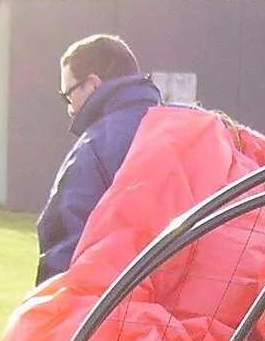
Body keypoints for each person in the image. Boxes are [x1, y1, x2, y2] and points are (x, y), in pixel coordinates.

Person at [34, 34, 187, 282]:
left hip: (118, 302)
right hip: (198, 305)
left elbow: (64, 243)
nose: (69, 108)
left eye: (68, 95)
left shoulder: (95, 148)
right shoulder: (189, 129)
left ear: (93, 84)